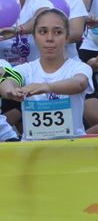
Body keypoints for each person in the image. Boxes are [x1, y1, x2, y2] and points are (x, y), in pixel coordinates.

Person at [2, 7, 92, 140]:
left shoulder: (79, 68)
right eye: (43, 32)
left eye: (57, 32)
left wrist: (48, 87)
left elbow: (79, 84)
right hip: (33, 150)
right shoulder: (26, 70)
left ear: (67, 37)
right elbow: (8, 80)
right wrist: (10, 91)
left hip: (72, 150)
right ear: (34, 36)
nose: (49, 38)